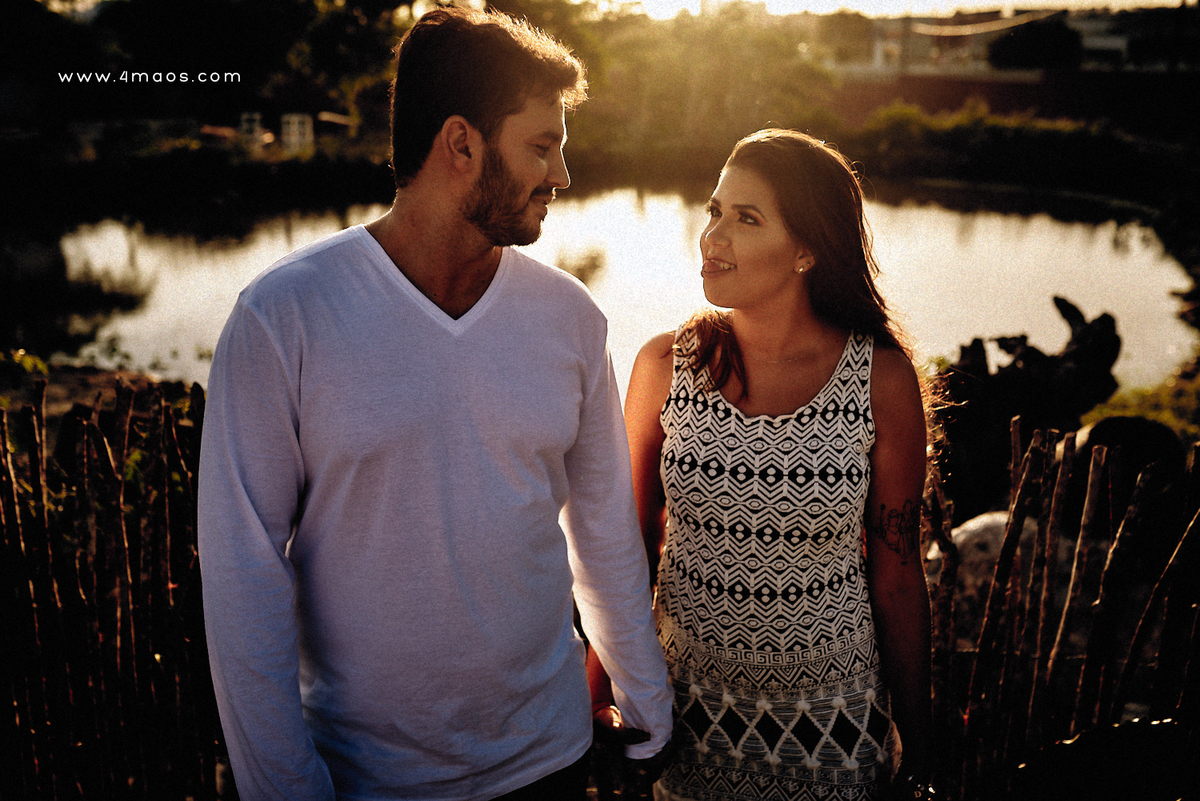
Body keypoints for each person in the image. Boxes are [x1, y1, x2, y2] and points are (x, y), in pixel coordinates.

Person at [198, 7, 672, 800]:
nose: (562, 175)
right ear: (462, 144)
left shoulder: (571, 320)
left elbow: (603, 537)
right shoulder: (283, 318)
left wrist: (646, 700)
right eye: (542, 146)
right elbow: (243, 576)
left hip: (548, 763)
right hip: (368, 778)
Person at [590, 129, 934, 800]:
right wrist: (595, 695)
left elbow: (897, 573)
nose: (713, 235)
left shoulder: (879, 380)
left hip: (831, 728)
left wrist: (919, 741)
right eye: (715, 210)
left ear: (808, 249)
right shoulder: (665, 366)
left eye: (746, 219)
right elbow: (623, 547)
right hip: (685, 723)